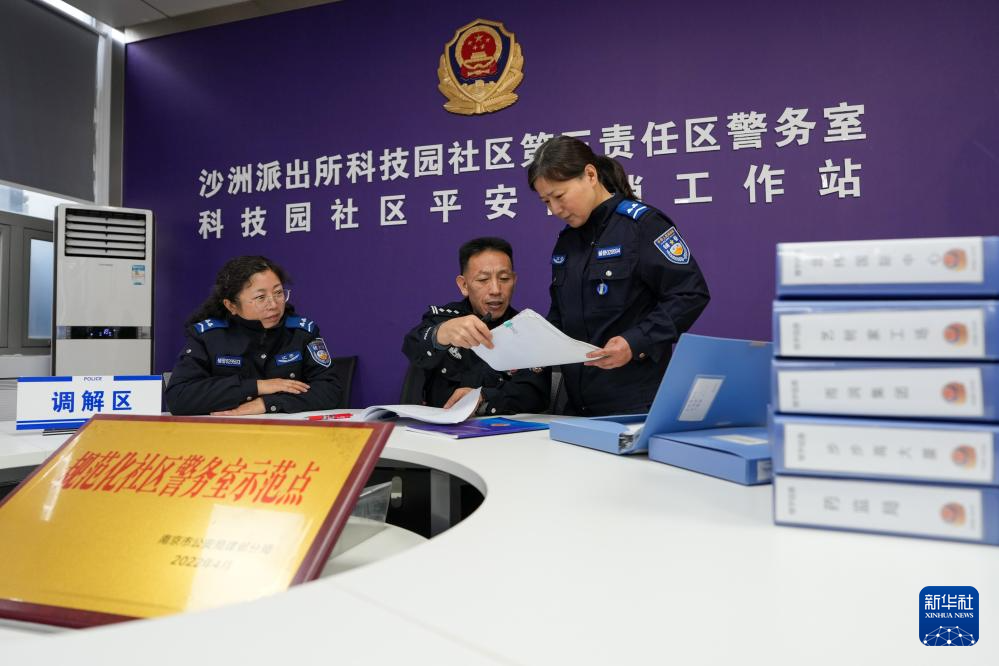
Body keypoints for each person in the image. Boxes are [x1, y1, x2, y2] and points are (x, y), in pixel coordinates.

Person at [527, 135, 710, 416]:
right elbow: (561, 313)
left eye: (559, 196)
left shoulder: (642, 225)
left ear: (590, 175)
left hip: (635, 404)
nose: (555, 210)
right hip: (577, 406)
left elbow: (690, 293)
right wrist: (533, 347)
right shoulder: (567, 240)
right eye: (546, 201)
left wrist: (635, 342)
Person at [165, 255, 342, 415]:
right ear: (231, 306)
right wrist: (257, 387)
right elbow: (179, 397)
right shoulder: (208, 337)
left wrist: (268, 404)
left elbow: (331, 390)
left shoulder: (301, 332)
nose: (273, 305)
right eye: (260, 297)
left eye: (278, 293)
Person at [402, 237, 550, 416]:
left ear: (514, 280)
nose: (496, 290)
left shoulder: (528, 330)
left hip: (500, 428)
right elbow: (412, 346)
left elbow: (535, 394)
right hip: (440, 426)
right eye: (483, 279)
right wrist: (439, 334)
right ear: (464, 285)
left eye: (504, 278)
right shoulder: (445, 318)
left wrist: (483, 396)